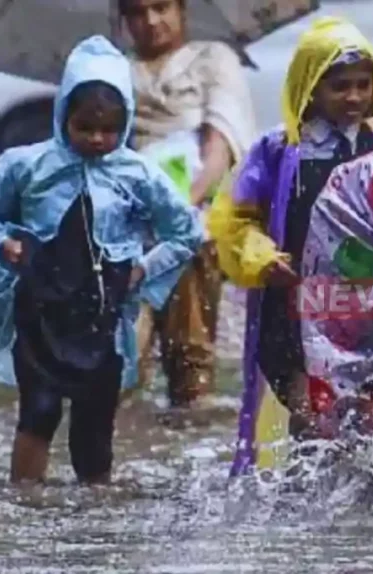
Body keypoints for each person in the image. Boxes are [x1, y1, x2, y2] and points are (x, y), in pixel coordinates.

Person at [0, 36, 202, 485]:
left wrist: (144, 269)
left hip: (103, 318)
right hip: (40, 313)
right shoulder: (27, 166)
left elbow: (185, 231)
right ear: (62, 117)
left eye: (109, 130)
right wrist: (3, 243)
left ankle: (95, 512)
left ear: (126, 122)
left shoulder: (138, 174)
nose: (97, 139)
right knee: (37, 412)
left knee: (94, 430)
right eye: (84, 127)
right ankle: (25, 501)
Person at [211, 16, 373, 477]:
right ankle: (305, 509)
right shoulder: (280, 153)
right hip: (293, 312)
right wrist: (260, 257)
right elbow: (233, 221)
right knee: (312, 418)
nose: (355, 97)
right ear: (310, 87)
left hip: (368, 312)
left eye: (364, 85)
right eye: (340, 86)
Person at [119, 0, 257, 414]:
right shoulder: (114, 70)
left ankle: (190, 420)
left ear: (182, 9)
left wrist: (181, 206)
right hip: (127, 223)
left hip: (193, 219)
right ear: (125, 19)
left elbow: (223, 144)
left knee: (189, 358)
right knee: (122, 361)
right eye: (138, 13)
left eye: (161, 8)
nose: (151, 21)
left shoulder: (211, 60)